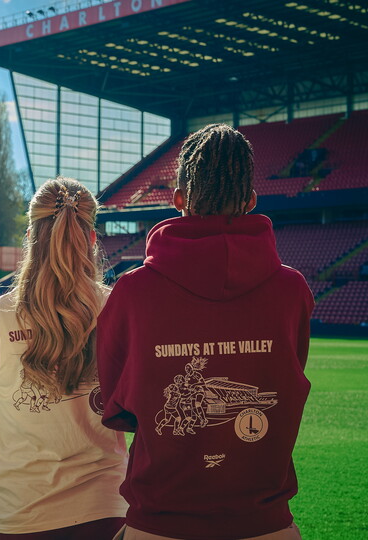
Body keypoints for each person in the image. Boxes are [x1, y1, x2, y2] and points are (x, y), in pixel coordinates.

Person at [97, 123, 313, 540]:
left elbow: (117, 405)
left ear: (177, 198)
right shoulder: (293, 291)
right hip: (265, 523)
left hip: (160, 523)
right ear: (251, 200)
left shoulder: (132, 291)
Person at [0, 177, 128, 540]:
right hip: (105, 510)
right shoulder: (118, 308)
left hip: (16, 514)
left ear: (29, 236)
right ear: (93, 239)